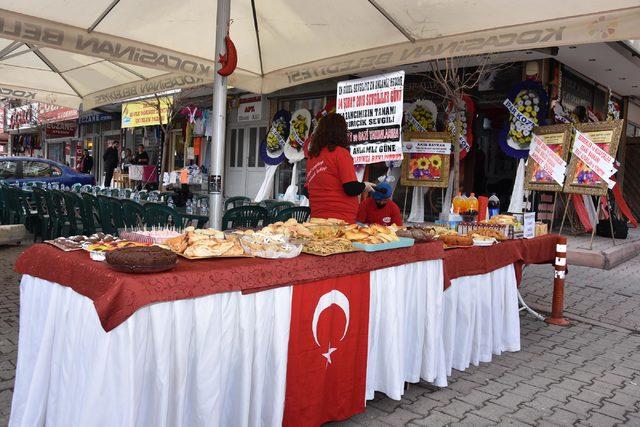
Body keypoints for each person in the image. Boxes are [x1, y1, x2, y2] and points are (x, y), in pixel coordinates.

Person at [305, 113, 374, 223]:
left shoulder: (312, 156)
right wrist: (365, 186)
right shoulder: (341, 153)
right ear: (341, 132)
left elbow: (307, 190)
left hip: (317, 218)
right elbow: (351, 188)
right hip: (341, 218)